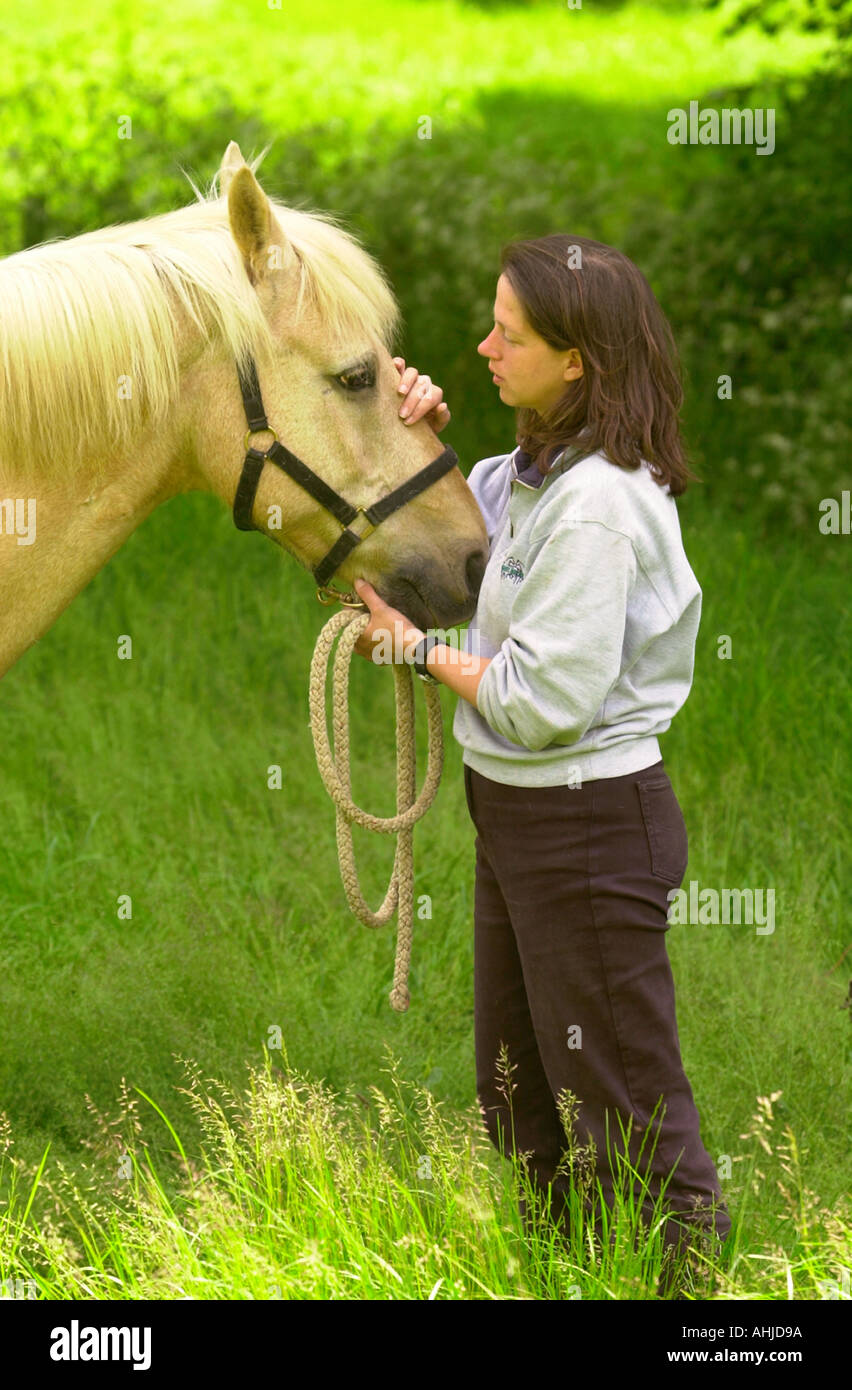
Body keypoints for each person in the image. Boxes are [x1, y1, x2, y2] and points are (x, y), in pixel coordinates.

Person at [351, 234, 731, 1293]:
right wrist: (400, 428)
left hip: (589, 819)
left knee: (623, 1098)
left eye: (508, 335)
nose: (481, 346)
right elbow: (450, 564)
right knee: (520, 1091)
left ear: (578, 363)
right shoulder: (523, 477)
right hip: (521, 817)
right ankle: (565, 1277)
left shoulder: (599, 501)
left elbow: (543, 704)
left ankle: (697, 1308)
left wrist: (416, 652)